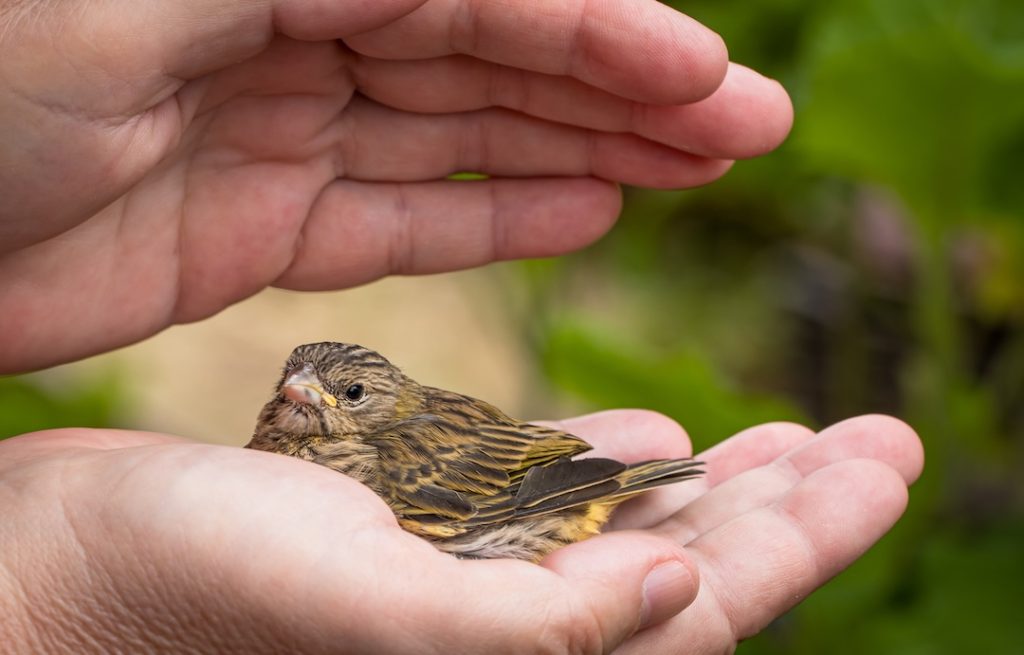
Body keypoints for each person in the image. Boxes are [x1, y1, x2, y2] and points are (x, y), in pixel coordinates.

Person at [0, 0, 923, 652]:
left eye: (340, 392)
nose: (301, 396)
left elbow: (518, 479)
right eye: (299, 381)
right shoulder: (298, 452)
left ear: (380, 402)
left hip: (535, 502)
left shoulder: (398, 462)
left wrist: (607, 483)